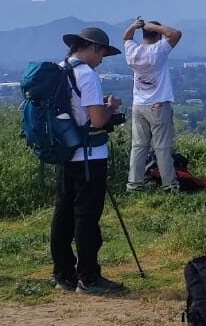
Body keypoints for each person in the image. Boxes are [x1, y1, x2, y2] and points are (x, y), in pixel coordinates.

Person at [45, 27, 128, 294]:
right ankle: (89, 277)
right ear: (93, 48)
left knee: (64, 212)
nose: (102, 59)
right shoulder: (86, 75)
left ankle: (63, 274)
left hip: (65, 153)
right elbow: (97, 120)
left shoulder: (59, 69)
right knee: (86, 217)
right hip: (89, 157)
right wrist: (111, 106)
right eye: (102, 53)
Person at [124, 17, 183, 192]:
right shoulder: (158, 50)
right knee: (162, 146)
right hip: (157, 105)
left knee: (139, 146)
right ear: (158, 35)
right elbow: (176, 34)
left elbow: (126, 38)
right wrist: (155, 27)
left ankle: (134, 184)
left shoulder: (133, 51)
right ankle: (169, 184)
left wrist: (134, 26)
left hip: (138, 105)